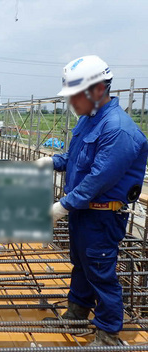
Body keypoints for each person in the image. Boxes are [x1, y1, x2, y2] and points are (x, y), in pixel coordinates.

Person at [38, 55, 148, 346]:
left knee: (100, 271)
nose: (72, 102)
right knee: (82, 265)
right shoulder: (89, 121)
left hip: (102, 216)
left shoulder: (118, 129)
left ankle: (109, 333)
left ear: (98, 89)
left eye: (76, 95)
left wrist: (61, 207)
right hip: (83, 213)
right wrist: (52, 161)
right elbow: (77, 159)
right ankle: (76, 313)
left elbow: (98, 179)